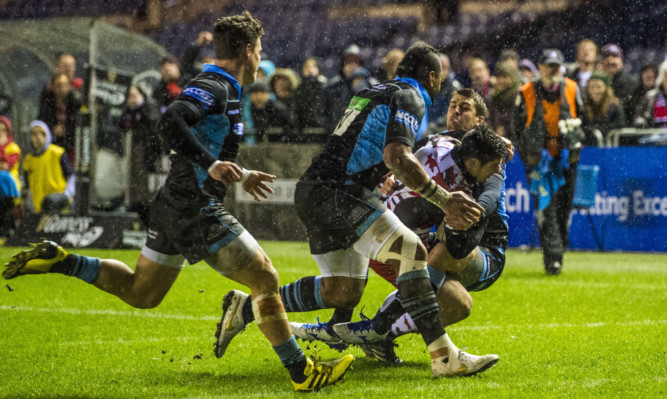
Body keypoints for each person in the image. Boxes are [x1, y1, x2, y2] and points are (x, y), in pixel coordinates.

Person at [4, 12, 353, 392]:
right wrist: (213, 163)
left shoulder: (225, 87)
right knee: (265, 277)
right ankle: (302, 373)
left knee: (143, 292)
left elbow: (200, 137)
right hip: (193, 204)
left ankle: (65, 261)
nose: (261, 59)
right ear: (249, 51)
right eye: (260, 51)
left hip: (175, 202)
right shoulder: (216, 84)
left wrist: (239, 171)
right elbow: (171, 120)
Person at [217, 42, 493, 378]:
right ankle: (444, 356)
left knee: (341, 290)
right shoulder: (412, 96)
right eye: (440, 81)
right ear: (432, 77)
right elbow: (397, 156)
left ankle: (246, 307)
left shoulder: (374, 90)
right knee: (411, 250)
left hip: (314, 190)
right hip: (342, 191)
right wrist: (445, 200)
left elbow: (366, 146)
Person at [333, 125, 508, 366]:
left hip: (386, 231)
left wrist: (387, 175)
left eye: (463, 109)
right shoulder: (454, 178)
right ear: (474, 161)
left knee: (453, 295)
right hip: (396, 248)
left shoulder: (457, 148)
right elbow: (458, 248)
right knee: (457, 301)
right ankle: (381, 330)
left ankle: (377, 329)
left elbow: (490, 190)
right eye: (453, 106)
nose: (455, 114)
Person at [513, 49, 584, 275]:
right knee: (546, 208)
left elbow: (582, 120)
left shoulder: (572, 89)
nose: (552, 70)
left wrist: (576, 143)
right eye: (548, 66)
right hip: (539, 162)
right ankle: (552, 259)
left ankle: (557, 253)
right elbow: (517, 128)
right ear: (540, 68)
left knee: (564, 209)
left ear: (562, 68)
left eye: (556, 66)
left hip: (565, 160)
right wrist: (529, 159)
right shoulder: (525, 91)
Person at [118, 85, 162, 224]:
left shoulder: (150, 106)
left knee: (149, 186)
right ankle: (138, 210)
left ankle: (148, 212)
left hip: (150, 153)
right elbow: (121, 125)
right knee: (135, 184)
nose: (133, 99)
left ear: (142, 94)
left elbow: (152, 125)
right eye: (130, 96)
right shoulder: (129, 111)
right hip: (135, 153)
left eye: (135, 95)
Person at [21, 120, 75, 214]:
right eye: (34, 134)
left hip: (60, 206)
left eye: (42, 133)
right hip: (39, 210)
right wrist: (30, 207)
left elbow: (71, 176)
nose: (38, 137)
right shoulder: (28, 161)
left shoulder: (58, 153)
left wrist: (67, 194)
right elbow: (27, 187)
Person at [323, 44, 379, 131]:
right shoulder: (332, 86)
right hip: (336, 134)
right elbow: (324, 113)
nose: (352, 66)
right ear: (343, 65)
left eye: (356, 62)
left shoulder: (372, 85)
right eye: (348, 62)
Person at [37, 72, 82, 165]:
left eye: (65, 85)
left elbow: (79, 126)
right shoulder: (47, 104)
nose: (62, 89)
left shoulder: (75, 103)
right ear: (52, 86)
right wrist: (52, 130)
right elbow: (41, 123)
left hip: (71, 147)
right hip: (51, 146)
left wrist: (66, 131)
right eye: (59, 85)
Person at [581, 72, 625, 145]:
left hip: (611, 146)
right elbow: (582, 125)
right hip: (590, 147)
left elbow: (620, 125)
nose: (595, 91)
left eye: (599, 87)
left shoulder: (614, 105)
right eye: (592, 87)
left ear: (606, 88)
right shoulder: (584, 106)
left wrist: (597, 129)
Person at [599, 43, 636, 122]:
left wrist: (617, 103)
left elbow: (632, 108)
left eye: (615, 56)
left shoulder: (631, 83)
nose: (610, 60)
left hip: (626, 128)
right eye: (606, 57)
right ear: (601, 62)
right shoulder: (597, 82)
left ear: (621, 60)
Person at [428, 53, 463, 130]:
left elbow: (453, 115)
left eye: (443, 68)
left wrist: (433, 125)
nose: (440, 72)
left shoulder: (455, 88)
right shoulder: (429, 87)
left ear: (448, 70)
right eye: (437, 68)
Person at [488, 62, 522, 141]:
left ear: (513, 78)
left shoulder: (518, 97)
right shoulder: (493, 98)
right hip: (499, 143)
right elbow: (490, 121)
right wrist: (494, 133)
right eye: (498, 76)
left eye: (505, 76)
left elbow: (518, 124)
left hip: (516, 144)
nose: (501, 80)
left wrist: (505, 131)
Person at [0, 116, 20, 240]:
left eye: (3, 130)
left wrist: (1, 147)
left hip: (9, 186)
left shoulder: (13, 148)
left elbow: (7, 165)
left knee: (5, 208)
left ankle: (5, 233)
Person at [292, 57, 327, 131]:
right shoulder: (299, 89)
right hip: (303, 129)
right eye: (307, 66)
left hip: (322, 128)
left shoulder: (325, 87)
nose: (310, 69)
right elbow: (296, 110)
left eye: (313, 66)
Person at [633, 59, 667, 129]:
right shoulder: (650, 97)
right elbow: (638, 118)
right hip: (653, 136)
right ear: (662, 77)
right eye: (666, 75)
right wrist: (644, 124)